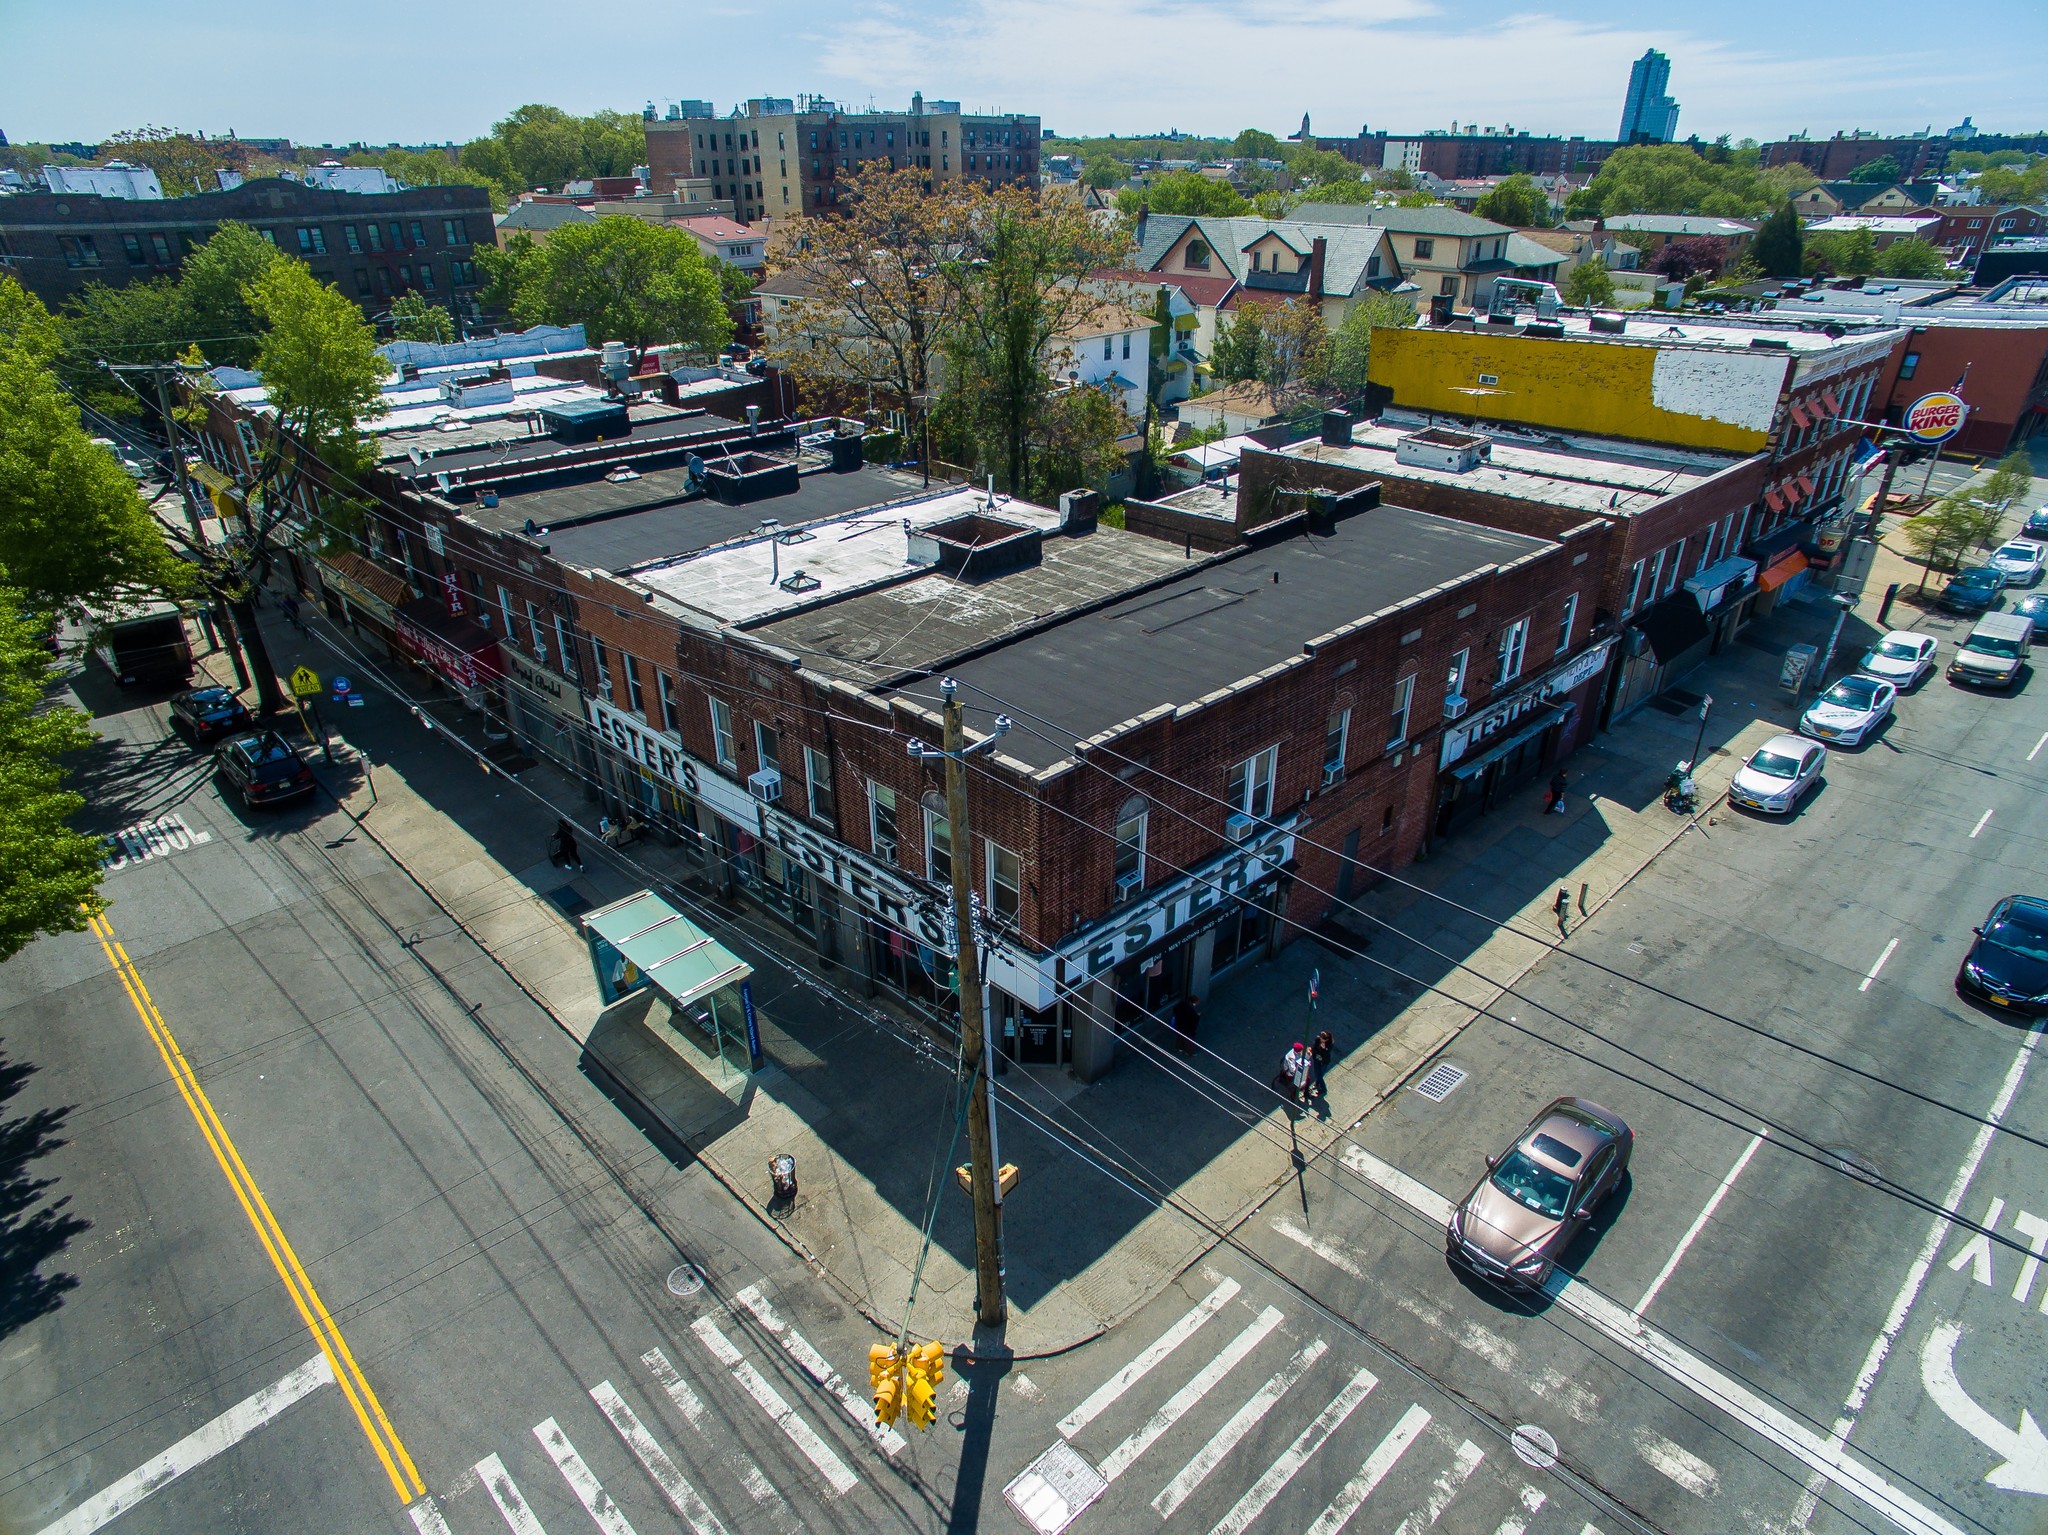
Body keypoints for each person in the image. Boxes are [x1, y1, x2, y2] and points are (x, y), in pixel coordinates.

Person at [1309, 1030, 1334, 1099]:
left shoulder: (1329, 1045)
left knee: (1320, 1075)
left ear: (1327, 1039)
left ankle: (1323, 1088)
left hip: (1324, 1061)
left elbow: (1326, 1054)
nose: (1321, 1039)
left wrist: (1324, 1049)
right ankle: (1317, 1083)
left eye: (1323, 1038)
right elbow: (1314, 1047)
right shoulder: (1318, 1039)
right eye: (1321, 1037)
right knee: (1317, 1073)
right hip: (1317, 1059)